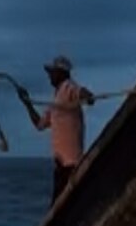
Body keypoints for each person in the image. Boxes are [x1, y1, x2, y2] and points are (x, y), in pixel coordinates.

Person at [17, 55, 95, 204]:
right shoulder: (56, 99)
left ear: (61, 73)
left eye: (52, 72)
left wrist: (88, 97)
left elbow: (82, 93)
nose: (49, 76)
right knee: (59, 204)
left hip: (71, 165)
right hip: (61, 165)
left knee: (61, 205)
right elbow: (40, 124)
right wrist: (27, 103)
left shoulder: (68, 87)